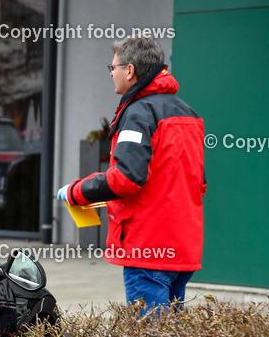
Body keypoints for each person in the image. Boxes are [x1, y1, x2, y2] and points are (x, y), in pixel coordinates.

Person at [57, 37, 205, 313]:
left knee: (147, 336)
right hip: (182, 249)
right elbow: (199, 183)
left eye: (113, 67)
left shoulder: (138, 113)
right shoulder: (189, 114)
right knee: (171, 336)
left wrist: (75, 192)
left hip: (147, 249)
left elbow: (126, 179)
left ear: (130, 70)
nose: (111, 73)